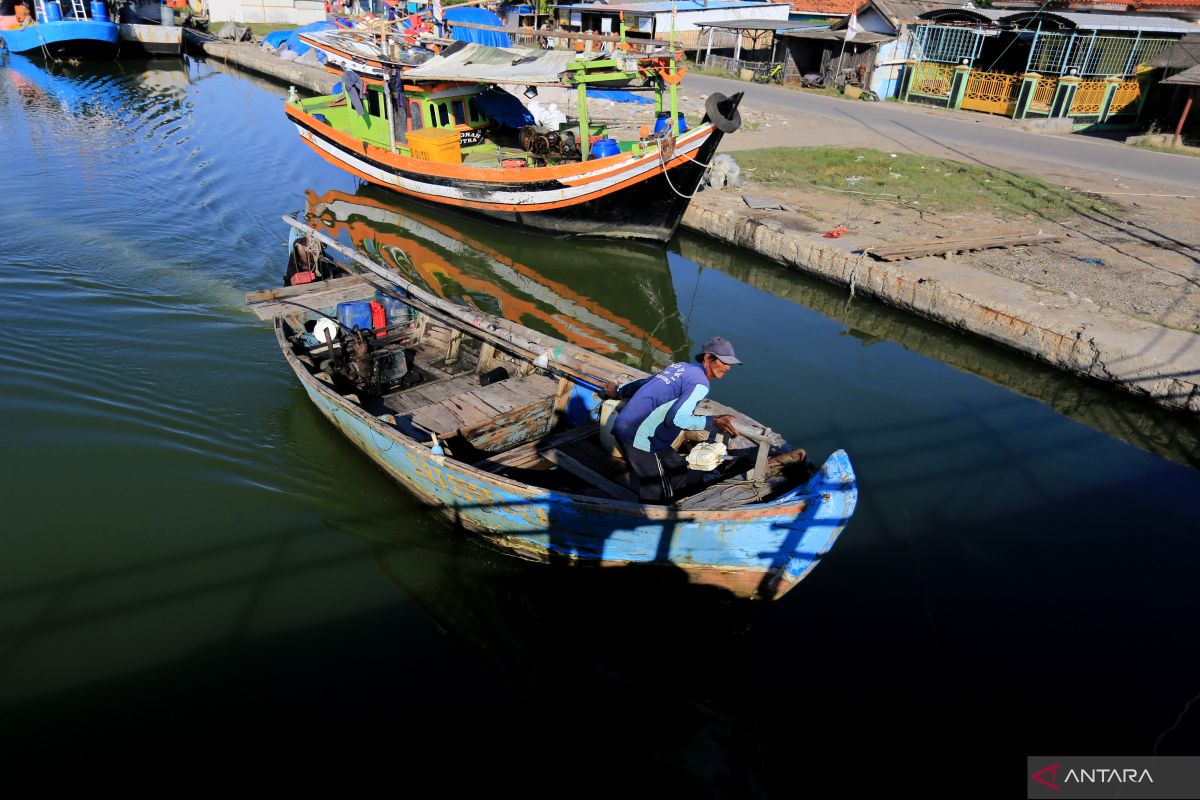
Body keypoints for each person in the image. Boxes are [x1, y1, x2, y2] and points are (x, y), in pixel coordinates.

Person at [609, 336, 741, 504]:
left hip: (634, 426)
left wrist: (620, 391)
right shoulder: (700, 383)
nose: (727, 367)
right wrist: (711, 421)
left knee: (677, 467)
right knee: (657, 486)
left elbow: (644, 383)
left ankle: (678, 502)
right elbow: (677, 419)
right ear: (708, 357)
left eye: (730, 364)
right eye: (724, 362)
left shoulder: (681, 367)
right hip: (639, 435)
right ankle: (652, 521)